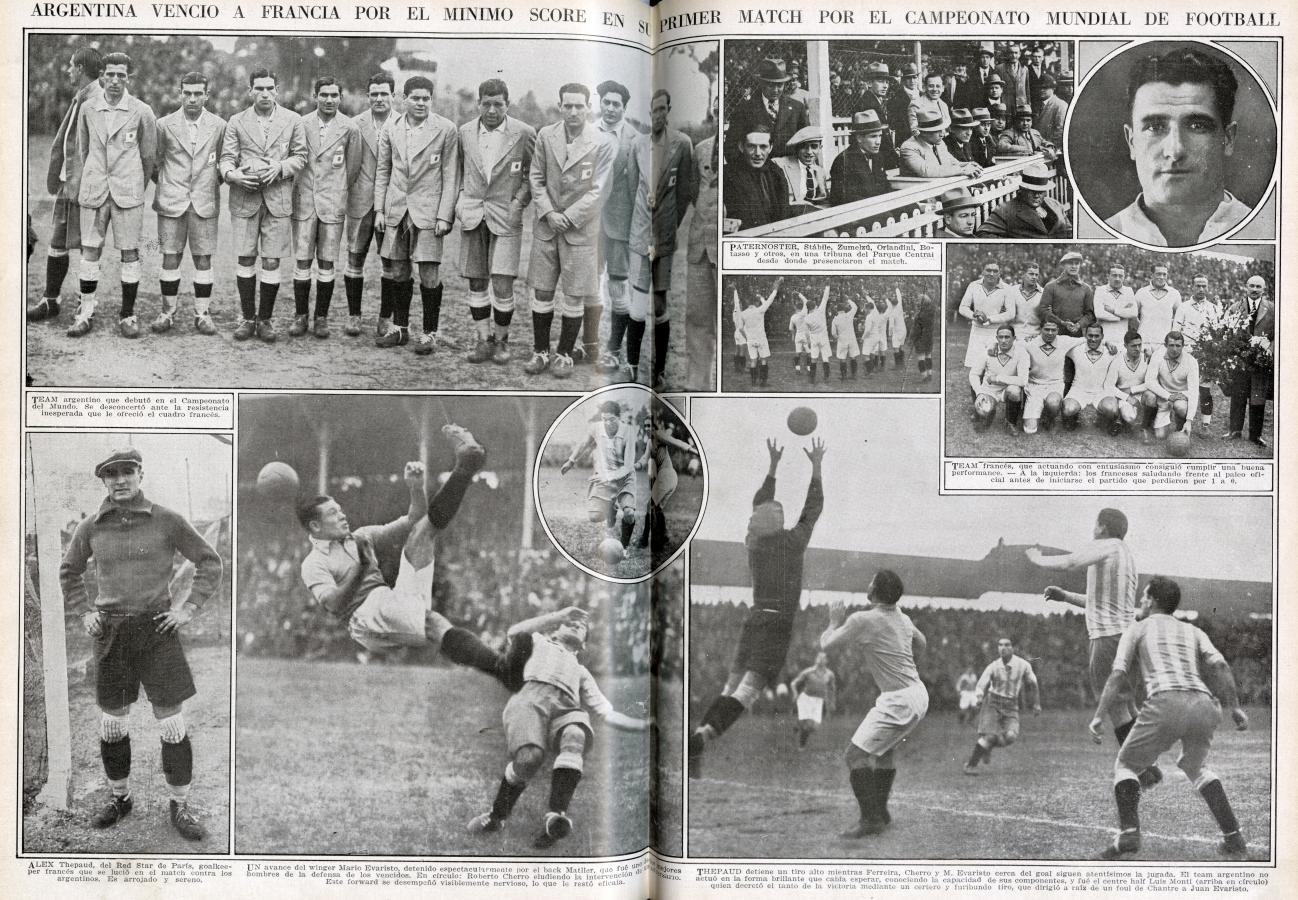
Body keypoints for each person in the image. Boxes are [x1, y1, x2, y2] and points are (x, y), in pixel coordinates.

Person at [59, 447, 223, 841]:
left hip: (157, 632)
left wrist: (188, 609)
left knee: (171, 724)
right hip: (112, 633)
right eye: (110, 474)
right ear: (103, 480)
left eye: (126, 472)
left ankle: (179, 806)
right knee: (112, 724)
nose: (119, 480)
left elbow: (210, 561)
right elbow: (69, 571)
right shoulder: (92, 526)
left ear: (140, 474)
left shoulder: (167, 519)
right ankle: (120, 798)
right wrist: (84, 611)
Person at [689, 436, 825, 778]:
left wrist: (773, 467)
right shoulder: (792, 543)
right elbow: (813, 509)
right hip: (777, 624)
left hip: (754, 618)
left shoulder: (754, 543)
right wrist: (817, 467)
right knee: (747, 692)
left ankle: (697, 741)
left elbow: (759, 503)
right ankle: (705, 734)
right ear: (776, 521)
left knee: (729, 688)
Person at [1090, 577, 1250, 860]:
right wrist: (1235, 707)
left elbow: (1118, 675)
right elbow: (1221, 665)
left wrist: (1099, 716)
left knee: (1126, 764)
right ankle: (1234, 837)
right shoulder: (1193, 630)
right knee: (1195, 765)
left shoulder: (1137, 629)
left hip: (1167, 701)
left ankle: (1128, 833)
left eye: (1143, 597)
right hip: (1204, 704)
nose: (1140, 601)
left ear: (1151, 600)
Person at [466, 607, 649, 848]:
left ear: (583, 644)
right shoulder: (539, 642)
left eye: (581, 626)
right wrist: (557, 616)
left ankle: (555, 817)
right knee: (530, 758)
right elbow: (514, 631)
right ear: (555, 631)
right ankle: (496, 816)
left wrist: (644, 725)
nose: (574, 625)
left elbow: (606, 712)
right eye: (569, 623)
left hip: (566, 709)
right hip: (530, 700)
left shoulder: (582, 672)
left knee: (575, 734)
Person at [1027, 508, 1144, 763]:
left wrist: (1037, 559)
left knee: (1116, 707)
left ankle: (1143, 767)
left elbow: (1069, 563)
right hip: (1127, 636)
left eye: (1095, 524)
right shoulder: (1125, 554)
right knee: (1126, 705)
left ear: (1102, 527)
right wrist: (1066, 596)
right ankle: (1147, 761)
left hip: (1107, 638)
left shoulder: (1107, 545)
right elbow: (1099, 602)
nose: (1093, 529)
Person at [1105, 46, 1251, 246]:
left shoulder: (1268, 229)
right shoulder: (1107, 231)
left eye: (1197, 126)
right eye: (1155, 127)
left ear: (1228, 139)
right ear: (1131, 142)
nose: (1174, 151)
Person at [820, 574, 928, 838]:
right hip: (918, 693)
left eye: (870, 582)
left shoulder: (862, 619)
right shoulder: (903, 617)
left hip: (898, 699)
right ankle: (880, 810)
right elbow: (922, 643)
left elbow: (827, 644)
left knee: (854, 756)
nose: (866, 584)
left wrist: (833, 622)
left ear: (875, 591)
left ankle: (871, 819)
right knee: (884, 752)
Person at [524, 83, 616, 378]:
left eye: (579, 106)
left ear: (589, 107)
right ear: (560, 106)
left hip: (581, 230)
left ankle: (564, 353)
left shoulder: (601, 142)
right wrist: (550, 212)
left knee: (575, 295)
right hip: (547, 226)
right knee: (542, 290)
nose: (573, 111)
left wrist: (569, 216)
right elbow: (535, 178)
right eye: (568, 105)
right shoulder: (545, 135)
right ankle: (540, 351)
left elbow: (600, 191)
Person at [69, 51, 158, 339]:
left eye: (122, 75)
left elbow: (148, 157)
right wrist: (91, 180)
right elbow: (83, 151)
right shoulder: (88, 108)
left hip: (128, 191)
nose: (116, 80)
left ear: (128, 77)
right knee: (90, 251)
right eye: (110, 74)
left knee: (131, 253)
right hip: (95, 189)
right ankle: (85, 311)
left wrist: (134, 186)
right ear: (102, 76)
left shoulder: (142, 110)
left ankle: (128, 314)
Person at [220, 67, 307, 343]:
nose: (265, 93)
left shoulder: (292, 120)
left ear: (277, 91)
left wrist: (280, 168)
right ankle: (247, 318)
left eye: (270, 88)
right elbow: (226, 158)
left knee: (271, 260)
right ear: (250, 91)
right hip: (245, 197)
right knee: (245, 257)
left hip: (278, 199)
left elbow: (301, 157)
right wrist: (232, 175)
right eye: (259, 88)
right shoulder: (236, 121)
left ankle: (265, 319)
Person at [373, 75, 459, 355]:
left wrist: (445, 215)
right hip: (396, 207)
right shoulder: (391, 127)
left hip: (429, 212)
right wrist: (379, 209)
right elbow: (383, 171)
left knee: (429, 272)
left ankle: (429, 333)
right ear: (404, 99)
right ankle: (400, 328)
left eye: (426, 98)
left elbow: (450, 175)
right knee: (398, 269)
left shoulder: (445, 129)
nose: (421, 103)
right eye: (416, 98)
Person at [456, 78, 536, 366]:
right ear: (478, 104)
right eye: (486, 104)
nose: (491, 110)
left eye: (498, 104)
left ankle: (502, 341)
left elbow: (532, 175)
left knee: (502, 283)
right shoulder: (464, 132)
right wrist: (461, 203)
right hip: (474, 214)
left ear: (507, 104)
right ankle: (482, 339)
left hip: (507, 218)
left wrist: (518, 204)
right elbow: (458, 172)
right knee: (477, 281)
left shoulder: (524, 133)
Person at [29, 46, 103, 324]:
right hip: (67, 185)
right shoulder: (81, 95)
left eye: (72, 65)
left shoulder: (97, 99)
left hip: (84, 189)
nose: (68, 70)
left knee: (88, 247)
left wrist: (85, 186)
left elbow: (97, 150)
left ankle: (87, 308)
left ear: (82, 68)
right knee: (57, 243)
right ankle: (51, 301)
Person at [628, 89, 693, 390]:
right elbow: (632, 190)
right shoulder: (637, 144)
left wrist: (668, 225)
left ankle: (659, 371)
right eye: (651, 111)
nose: (656, 116)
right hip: (641, 235)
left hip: (665, 236)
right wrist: (643, 223)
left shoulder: (682, 143)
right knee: (638, 302)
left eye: (661, 110)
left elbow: (685, 193)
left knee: (659, 303)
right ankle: (631, 365)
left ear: (668, 110)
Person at [151, 71, 225, 335]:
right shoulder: (163, 124)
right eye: (187, 93)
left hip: (204, 201)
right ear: (179, 94)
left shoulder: (219, 125)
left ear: (206, 95)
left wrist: (207, 185)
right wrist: (169, 186)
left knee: (203, 258)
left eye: (198, 93)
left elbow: (225, 163)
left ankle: (202, 314)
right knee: (169, 256)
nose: (192, 98)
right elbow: (154, 163)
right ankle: (167, 312)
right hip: (171, 201)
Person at [289, 76, 360, 340]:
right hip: (305, 201)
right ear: (314, 95)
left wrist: (336, 191)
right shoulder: (301, 123)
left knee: (327, 262)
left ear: (340, 98)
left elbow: (351, 169)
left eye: (334, 95)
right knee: (303, 260)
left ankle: (321, 317)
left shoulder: (350, 128)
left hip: (332, 203)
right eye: (324, 95)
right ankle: (300, 316)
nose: (329, 100)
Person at [342, 73, 397, 338]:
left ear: (393, 97)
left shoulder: (402, 123)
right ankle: (354, 316)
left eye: (384, 94)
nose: (378, 98)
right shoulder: (355, 125)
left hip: (391, 205)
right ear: (368, 96)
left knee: (391, 262)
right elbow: (348, 167)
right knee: (354, 259)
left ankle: (385, 317)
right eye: (374, 94)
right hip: (359, 202)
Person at [594, 80, 637, 372]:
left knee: (619, 288)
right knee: (589, 285)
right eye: (606, 102)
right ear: (600, 104)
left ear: (624, 108)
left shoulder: (635, 139)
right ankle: (589, 344)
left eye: (616, 104)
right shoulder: (585, 133)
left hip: (621, 225)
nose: (610, 108)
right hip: (587, 223)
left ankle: (613, 349)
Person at [561, 401, 641, 552]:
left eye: (612, 419)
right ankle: (611, 508)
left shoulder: (629, 432)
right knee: (594, 516)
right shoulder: (596, 428)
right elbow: (583, 444)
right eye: (604, 419)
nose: (608, 423)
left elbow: (628, 466)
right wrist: (571, 461)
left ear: (620, 417)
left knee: (629, 513)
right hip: (604, 475)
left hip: (625, 477)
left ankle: (623, 548)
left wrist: (608, 476)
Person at [962, 637, 1040, 775]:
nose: (1002, 648)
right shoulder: (993, 666)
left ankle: (987, 748)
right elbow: (981, 683)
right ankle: (970, 765)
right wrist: (979, 697)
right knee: (990, 736)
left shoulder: (1023, 665)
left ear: (1013, 648)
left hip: (1011, 704)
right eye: (1000, 645)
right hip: (993, 702)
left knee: (1010, 737)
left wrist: (1036, 703)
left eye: (1007, 645)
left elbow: (1033, 683)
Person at [686, 113, 719, 390]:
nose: (722, 119)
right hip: (698, 245)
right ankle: (697, 383)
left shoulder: (746, 149)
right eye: (717, 113)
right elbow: (694, 193)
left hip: (725, 249)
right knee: (697, 316)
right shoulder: (701, 149)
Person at [638, 400, 699, 553]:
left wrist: (697, 452)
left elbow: (677, 442)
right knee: (657, 508)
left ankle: (645, 539)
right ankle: (663, 537)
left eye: (649, 425)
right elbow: (643, 460)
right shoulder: (649, 443)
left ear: (654, 426)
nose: (647, 428)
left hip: (667, 475)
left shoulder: (659, 435)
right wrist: (631, 467)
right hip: (666, 477)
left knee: (649, 506)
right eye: (645, 426)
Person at [726, 58, 809, 162]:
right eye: (770, 85)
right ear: (761, 83)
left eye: (779, 85)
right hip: (756, 172)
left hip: (789, 170)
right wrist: (746, 171)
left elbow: (806, 143)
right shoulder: (744, 109)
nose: (775, 90)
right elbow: (731, 147)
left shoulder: (797, 108)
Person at [1224, 275, 1273, 447]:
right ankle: (1234, 430)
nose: (1254, 289)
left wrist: (1268, 349)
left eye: (1258, 287)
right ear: (1246, 287)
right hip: (1240, 360)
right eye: (1251, 286)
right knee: (1238, 395)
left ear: (1264, 289)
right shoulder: (1235, 308)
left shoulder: (1272, 309)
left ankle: (1255, 435)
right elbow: (1227, 332)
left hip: (1261, 362)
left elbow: (1278, 335)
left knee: (1258, 397)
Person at [976, 164, 1071, 238]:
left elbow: (1069, 230)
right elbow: (983, 234)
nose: (1037, 195)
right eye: (1032, 191)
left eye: (1040, 191)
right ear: (1022, 189)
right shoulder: (1006, 210)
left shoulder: (1054, 204)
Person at [724, 128, 791, 231]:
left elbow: (784, 212)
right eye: (751, 146)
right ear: (741, 147)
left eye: (763, 147)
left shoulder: (776, 173)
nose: (758, 153)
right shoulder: (728, 175)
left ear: (771, 147)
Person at [1139, 330, 1200, 443]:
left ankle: (1180, 428)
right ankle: (1147, 424)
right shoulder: (1158, 355)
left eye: (1178, 346)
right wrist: (1168, 396)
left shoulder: (1191, 362)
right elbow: (1149, 381)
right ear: (1165, 345)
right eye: (1171, 345)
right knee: (1160, 436)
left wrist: (1189, 421)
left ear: (1183, 346)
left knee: (1181, 407)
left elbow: (1194, 392)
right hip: (1162, 395)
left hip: (1180, 397)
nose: (1175, 349)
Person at [1061, 323, 1121, 431]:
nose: (1093, 339)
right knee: (1068, 409)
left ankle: (1103, 419)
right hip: (1079, 390)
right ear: (1085, 335)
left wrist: (1147, 352)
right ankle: (1073, 418)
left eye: (1097, 336)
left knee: (1112, 408)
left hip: (1101, 391)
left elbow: (1128, 347)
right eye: (1090, 335)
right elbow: (1059, 343)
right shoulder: (1076, 349)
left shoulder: (1111, 350)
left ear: (1102, 336)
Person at [969, 324, 1027, 433]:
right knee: (983, 413)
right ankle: (985, 411)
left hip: (1007, 390)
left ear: (1014, 338)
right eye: (1001, 337)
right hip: (989, 390)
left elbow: (1023, 380)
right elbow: (974, 374)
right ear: (996, 338)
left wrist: (998, 378)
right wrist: (979, 392)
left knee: (1015, 390)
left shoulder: (1021, 353)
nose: (1004, 340)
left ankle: (1010, 422)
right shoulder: (989, 351)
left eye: (1007, 337)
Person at [827, 111, 892, 206]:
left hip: (877, 207)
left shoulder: (878, 157)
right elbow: (839, 197)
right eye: (873, 136)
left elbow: (885, 187)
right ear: (859, 138)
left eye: (880, 136)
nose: (878, 142)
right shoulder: (843, 160)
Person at [959, 261, 1013, 368]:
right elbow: (963, 307)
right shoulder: (973, 285)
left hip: (996, 332)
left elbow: (1011, 313)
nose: (991, 274)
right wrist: (974, 316)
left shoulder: (1007, 289)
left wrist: (989, 319)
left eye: (995, 271)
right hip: (977, 331)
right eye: (988, 270)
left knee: (993, 367)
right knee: (976, 368)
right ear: (983, 271)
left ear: (999, 273)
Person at [899, 112, 981, 178]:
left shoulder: (940, 143)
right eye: (937, 130)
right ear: (924, 132)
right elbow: (926, 171)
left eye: (943, 129)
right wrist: (962, 171)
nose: (943, 134)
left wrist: (968, 164)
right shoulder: (909, 147)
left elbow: (953, 163)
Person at [735, 278, 783, 387]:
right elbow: (770, 300)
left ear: (747, 303)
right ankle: (763, 382)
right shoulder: (760, 310)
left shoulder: (743, 314)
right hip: (761, 339)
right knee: (764, 360)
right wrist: (774, 289)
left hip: (751, 340)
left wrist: (747, 337)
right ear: (756, 302)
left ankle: (753, 382)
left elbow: (741, 328)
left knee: (753, 361)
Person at [1038, 250, 1094, 339]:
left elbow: (1090, 315)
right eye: (1070, 263)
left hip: (1077, 336)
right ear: (1063, 265)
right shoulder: (1050, 286)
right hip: (1054, 334)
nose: (1074, 266)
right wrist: (1061, 322)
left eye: (1077, 263)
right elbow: (1042, 310)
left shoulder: (1086, 289)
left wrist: (1078, 325)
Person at [856, 63, 899, 168]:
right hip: (875, 158)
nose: (885, 86)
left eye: (887, 82)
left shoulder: (875, 100)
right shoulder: (868, 104)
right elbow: (877, 137)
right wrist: (893, 156)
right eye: (880, 81)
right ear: (869, 83)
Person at [774, 127, 828, 211]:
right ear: (797, 148)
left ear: (820, 148)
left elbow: (823, 201)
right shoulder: (779, 165)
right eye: (804, 147)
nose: (809, 152)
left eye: (814, 147)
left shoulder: (820, 171)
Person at [1134, 263, 1182, 358]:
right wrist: (1142, 327)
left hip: (1164, 344)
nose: (1161, 277)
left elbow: (1179, 318)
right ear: (1152, 275)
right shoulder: (1141, 292)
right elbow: (1132, 316)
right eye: (1158, 274)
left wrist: (1172, 337)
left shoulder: (1174, 294)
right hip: (1144, 342)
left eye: (1164, 274)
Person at [790, 653, 837, 749]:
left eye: (823, 658)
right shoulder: (808, 672)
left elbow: (832, 689)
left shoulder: (830, 674)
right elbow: (793, 683)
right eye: (819, 657)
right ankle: (801, 747)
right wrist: (795, 694)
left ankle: (798, 726)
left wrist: (832, 702)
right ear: (816, 659)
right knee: (808, 724)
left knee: (814, 727)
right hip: (806, 699)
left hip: (818, 702)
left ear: (826, 661)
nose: (820, 659)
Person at [1110, 330, 1150, 435]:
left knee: (1152, 397)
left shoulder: (1147, 359)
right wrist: (1127, 397)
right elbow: (1108, 385)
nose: (1137, 349)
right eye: (1133, 346)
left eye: (1139, 345)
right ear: (1125, 346)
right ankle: (1121, 418)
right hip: (1124, 396)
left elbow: (1152, 383)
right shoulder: (1117, 361)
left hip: (1141, 395)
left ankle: (1148, 421)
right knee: (1130, 417)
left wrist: (1132, 390)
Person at [1093, 264, 1139, 347]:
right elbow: (1099, 313)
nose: (1117, 279)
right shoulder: (1100, 290)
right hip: (1104, 340)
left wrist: (1113, 311)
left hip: (1122, 340)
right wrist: (1122, 316)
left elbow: (1134, 313)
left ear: (1124, 277)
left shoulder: (1129, 291)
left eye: (1120, 276)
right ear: (1108, 276)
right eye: (1114, 275)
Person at [800, 286, 833, 384]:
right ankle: (826, 376)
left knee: (814, 358)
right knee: (825, 357)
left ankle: (812, 378)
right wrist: (827, 286)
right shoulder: (821, 310)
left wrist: (809, 341)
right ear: (814, 306)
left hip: (814, 338)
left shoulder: (806, 318)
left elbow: (806, 332)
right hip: (823, 338)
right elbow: (825, 297)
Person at [908, 73, 952, 140]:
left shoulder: (944, 105)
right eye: (931, 86)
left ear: (943, 88)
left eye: (938, 86)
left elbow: (947, 127)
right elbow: (915, 131)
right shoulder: (916, 105)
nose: (934, 89)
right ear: (925, 87)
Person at [888, 63, 921, 147]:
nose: (912, 81)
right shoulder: (896, 98)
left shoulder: (923, 95)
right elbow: (894, 123)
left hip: (924, 138)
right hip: (906, 140)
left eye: (914, 77)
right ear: (903, 80)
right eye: (908, 78)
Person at [1008, 261, 1044, 339]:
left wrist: (1040, 336)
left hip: (1036, 336)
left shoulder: (1043, 293)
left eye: (1036, 275)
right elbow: (1006, 317)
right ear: (1023, 275)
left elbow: (1046, 319)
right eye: (1031, 274)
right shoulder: (1012, 291)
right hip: (1014, 336)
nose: (1034, 277)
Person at [830, 295, 860, 381]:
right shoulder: (849, 315)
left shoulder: (835, 319)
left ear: (837, 310)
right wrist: (848, 300)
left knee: (843, 357)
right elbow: (855, 307)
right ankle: (854, 375)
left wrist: (837, 337)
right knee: (853, 356)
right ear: (844, 309)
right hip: (851, 338)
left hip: (842, 339)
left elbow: (833, 333)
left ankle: (844, 376)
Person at [1036, 75, 1068, 148]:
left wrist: (1052, 147)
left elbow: (1060, 130)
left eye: (1045, 88)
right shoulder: (1038, 104)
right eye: (1039, 88)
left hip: (1052, 149)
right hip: (1040, 147)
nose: (1041, 90)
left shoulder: (1060, 105)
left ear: (1053, 88)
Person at [910, 293, 936, 381]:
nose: (917, 302)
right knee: (928, 355)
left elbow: (916, 329)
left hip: (921, 338)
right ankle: (930, 374)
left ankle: (924, 376)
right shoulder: (931, 311)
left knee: (921, 357)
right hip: (929, 337)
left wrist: (912, 338)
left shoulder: (919, 315)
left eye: (918, 300)